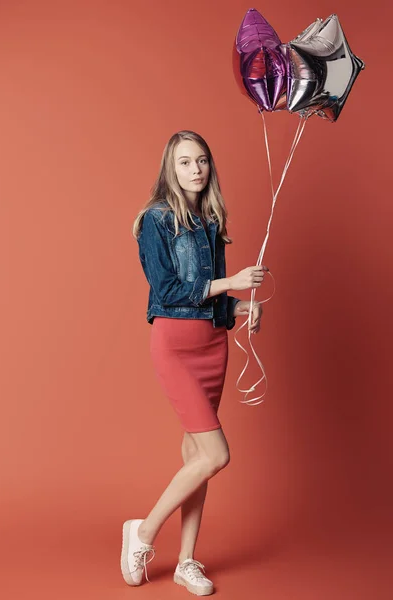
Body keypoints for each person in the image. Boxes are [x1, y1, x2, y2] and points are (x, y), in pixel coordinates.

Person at [121, 130, 267, 595]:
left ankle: (186, 560)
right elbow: (167, 294)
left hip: (213, 347)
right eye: (185, 162)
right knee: (216, 455)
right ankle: (142, 534)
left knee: (196, 458)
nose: (196, 170)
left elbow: (208, 302)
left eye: (202, 160)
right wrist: (232, 282)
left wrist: (241, 307)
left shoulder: (209, 218)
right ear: (171, 168)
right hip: (176, 348)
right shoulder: (155, 220)